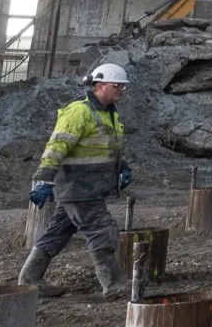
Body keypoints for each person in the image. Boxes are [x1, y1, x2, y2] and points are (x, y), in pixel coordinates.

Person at [20, 63, 133, 298]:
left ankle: (29, 280)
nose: (122, 90)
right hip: (79, 187)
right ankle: (113, 285)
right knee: (102, 230)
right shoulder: (79, 112)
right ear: (100, 86)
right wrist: (44, 179)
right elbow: (57, 146)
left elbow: (108, 146)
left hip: (89, 187)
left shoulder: (109, 113)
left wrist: (121, 167)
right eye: (117, 85)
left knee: (58, 231)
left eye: (123, 86)